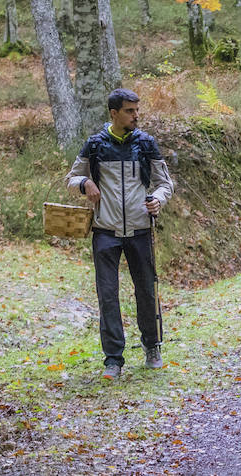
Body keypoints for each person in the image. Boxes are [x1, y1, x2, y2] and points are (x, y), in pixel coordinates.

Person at [66, 88, 175, 380]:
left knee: (146, 292)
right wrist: (85, 183)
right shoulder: (95, 145)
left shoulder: (146, 143)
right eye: (129, 111)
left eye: (137, 110)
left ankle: (152, 347)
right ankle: (113, 360)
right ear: (113, 113)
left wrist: (158, 199)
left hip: (140, 229)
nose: (135, 116)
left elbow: (166, 184)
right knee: (108, 295)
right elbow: (70, 178)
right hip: (105, 231)